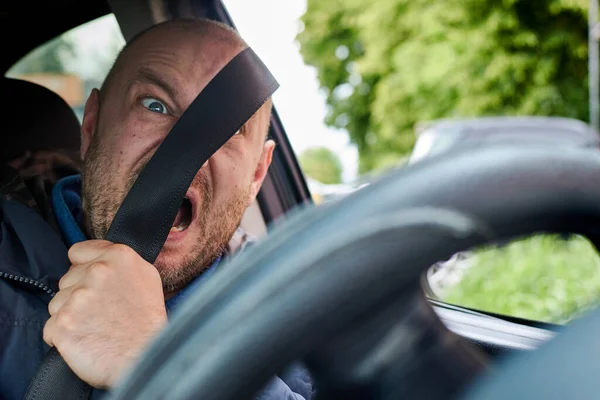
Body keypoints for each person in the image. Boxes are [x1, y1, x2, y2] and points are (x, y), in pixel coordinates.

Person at [0, 18, 314, 400]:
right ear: (92, 126)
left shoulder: (308, 323)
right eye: (155, 105)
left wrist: (160, 368)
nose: (184, 152)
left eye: (228, 129)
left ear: (257, 175)